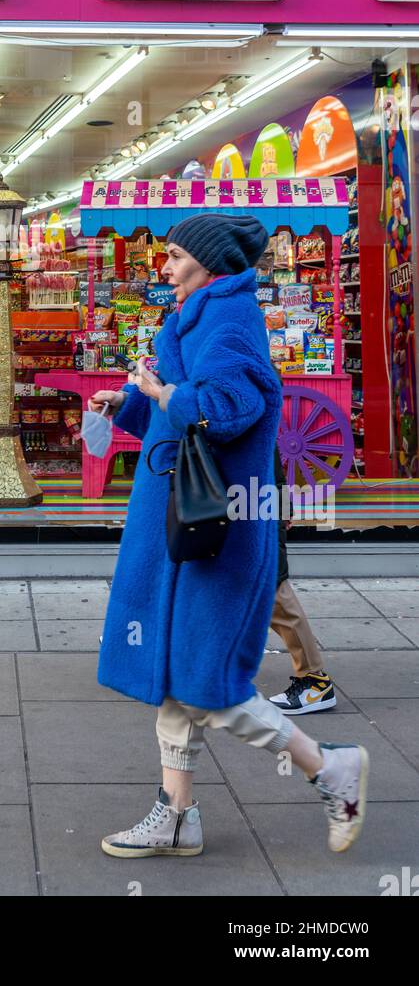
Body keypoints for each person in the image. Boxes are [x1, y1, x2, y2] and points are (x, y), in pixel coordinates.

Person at [90, 213, 368, 858]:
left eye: (176, 255)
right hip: (188, 527)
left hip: (218, 534)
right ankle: (176, 817)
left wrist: (163, 394)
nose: (164, 267)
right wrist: (132, 404)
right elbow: (180, 414)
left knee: (206, 684)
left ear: (209, 264)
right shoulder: (196, 317)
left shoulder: (228, 319)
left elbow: (225, 408)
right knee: (175, 674)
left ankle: (332, 768)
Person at [268, 447, 337, 713]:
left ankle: (315, 681)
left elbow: (268, 459)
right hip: (246, 506)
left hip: (251, 509)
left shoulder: (247, 405)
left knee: (276, 597)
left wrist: (283, 510)